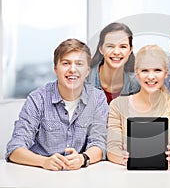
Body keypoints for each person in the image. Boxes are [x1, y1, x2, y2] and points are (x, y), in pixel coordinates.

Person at [6, 38, 108, 171]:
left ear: (87, 70)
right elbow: (15, 148)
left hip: (79, 175)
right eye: (66, 63)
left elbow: (99, 142)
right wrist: (44, 162)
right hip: (40, 174)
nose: (72, 69)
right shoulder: (37, 99)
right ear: (56, 69)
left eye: (79, 64)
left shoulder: (97, 98)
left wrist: (83, 158)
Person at [107, 45, 170, 167]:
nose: (151, 77)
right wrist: (126, 159)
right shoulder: (118, 105)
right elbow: (112, 148)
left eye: (157, 70)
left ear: (166, 73)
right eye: (145, 70)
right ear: (137, 73)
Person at [87, 22, 140, 104]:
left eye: (123, 47)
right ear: (101, 49)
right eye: (110, 46)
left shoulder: (137, 84)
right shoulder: (84, 80)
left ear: (130, 50)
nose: (116, 52)